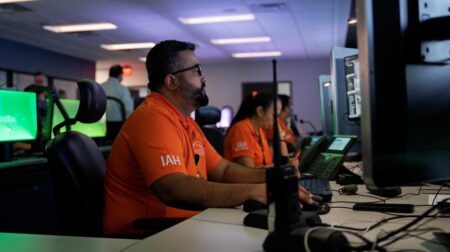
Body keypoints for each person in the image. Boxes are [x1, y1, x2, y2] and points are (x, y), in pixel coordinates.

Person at [103, 40, 313, 237]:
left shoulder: (185, 121)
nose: (204, 77)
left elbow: (224, 170)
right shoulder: (152, 118)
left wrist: (274, 177)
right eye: (197, 71)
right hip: (148, 235)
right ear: (171, 81)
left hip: (186, 226)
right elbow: (172, 188)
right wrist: (254, 191)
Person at [224, 92, 279, 168]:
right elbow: (249, 171)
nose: (276, 120)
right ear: (260, 111)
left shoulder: (260, 131)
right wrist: (277, 168)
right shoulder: (241, 129)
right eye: (274, 115)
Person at [101, 64, 134, 142]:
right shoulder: (122, 89)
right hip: (118, 125)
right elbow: (128, 109)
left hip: (101, 124)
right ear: (120, 75)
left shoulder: (100, 87)